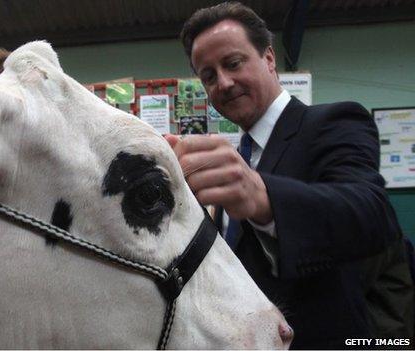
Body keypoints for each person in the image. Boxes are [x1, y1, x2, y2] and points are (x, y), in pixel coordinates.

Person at [165, 1, 414, 347]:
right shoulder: (237, 160)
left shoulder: (334, 122)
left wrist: (263, 197)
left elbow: (372, 213)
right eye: (208, 76)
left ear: (269, 59)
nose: (222, 82)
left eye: (233, 63)